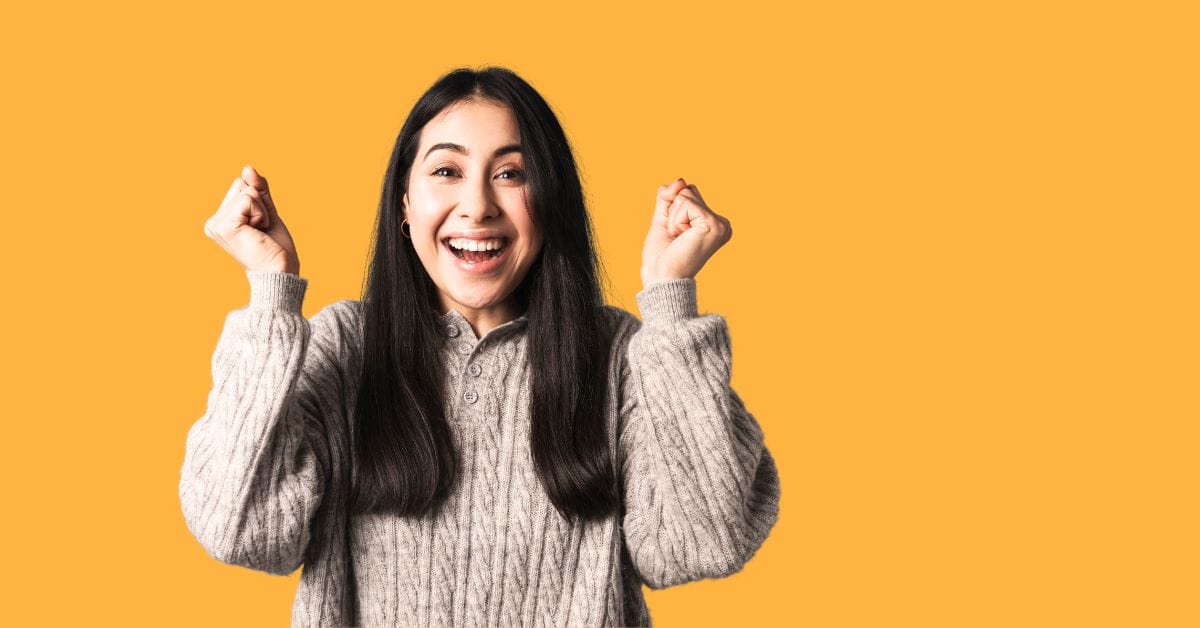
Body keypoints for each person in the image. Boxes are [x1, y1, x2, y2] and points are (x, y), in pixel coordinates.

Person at [179, 66, 781, 627]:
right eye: (447, 171)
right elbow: (240, 530)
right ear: (404, 205)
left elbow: (706, 543)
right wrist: (270, 294)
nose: (477, 206)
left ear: (550, 204)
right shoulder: (346, 350)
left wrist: (671, 303)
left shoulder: (621, 357)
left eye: (510, 173)